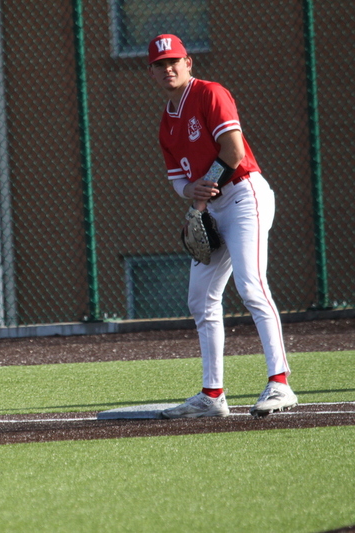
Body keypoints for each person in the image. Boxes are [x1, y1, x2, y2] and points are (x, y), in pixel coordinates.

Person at [147, 34, 298, 418]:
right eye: (160, 64)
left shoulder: (211, 94)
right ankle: (212, 395)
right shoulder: (167, 123)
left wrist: (199, 199)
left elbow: (232, 152)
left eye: (174, 62)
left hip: (245, 196)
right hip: (213, 208)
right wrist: (192, 196)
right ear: (151, 72)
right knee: (200, 298)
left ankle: (280, 383)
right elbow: (178, 180)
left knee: (251, 285)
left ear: (188, 63)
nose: (168, 69)